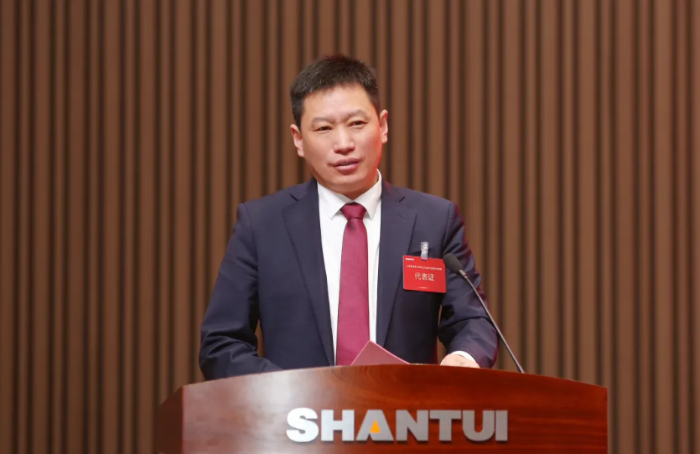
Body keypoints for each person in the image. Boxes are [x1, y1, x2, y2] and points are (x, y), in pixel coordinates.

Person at [199, 54, 498, 379]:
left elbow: (472, 320)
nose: (343, 144)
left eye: (356, 124)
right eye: (324, 128)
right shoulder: (261, 225)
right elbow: (221, 344)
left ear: (382, 126)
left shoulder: (434, 220)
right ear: (299, 140)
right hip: (295, 410)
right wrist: (289, 392)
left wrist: (464, 358)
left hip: (405, 409)